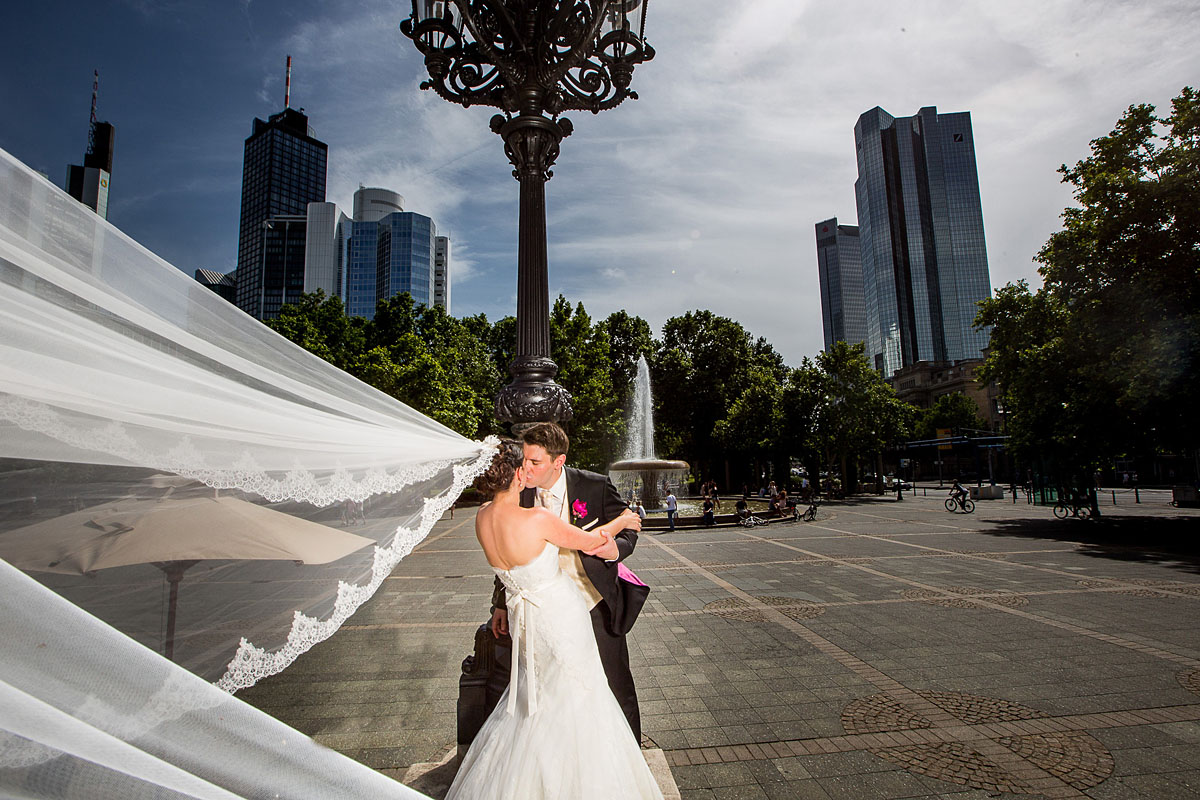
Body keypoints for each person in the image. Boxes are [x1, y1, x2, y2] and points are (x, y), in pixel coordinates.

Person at [449, 441, 662, 800]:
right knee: (580, 693)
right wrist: (625, 520)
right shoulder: (536, 519)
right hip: (560, 616)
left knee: (535, 696)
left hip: (526, 618)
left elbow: (509, 572)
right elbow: (592, 541)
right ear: (518, 474)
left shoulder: (482, 516)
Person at [490, 422, 644, 739]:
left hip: (594, 603)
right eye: (524, 461)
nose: (526, 469)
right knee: (550, 690)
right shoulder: (517, 493)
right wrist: (499, 605)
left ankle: (630, 752)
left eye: (535, 462)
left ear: (558, 461)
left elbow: (630, 526)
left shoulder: (595, 486)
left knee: (615, 683)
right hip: (544, 613)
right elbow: (508, 552)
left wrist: (618, 549)